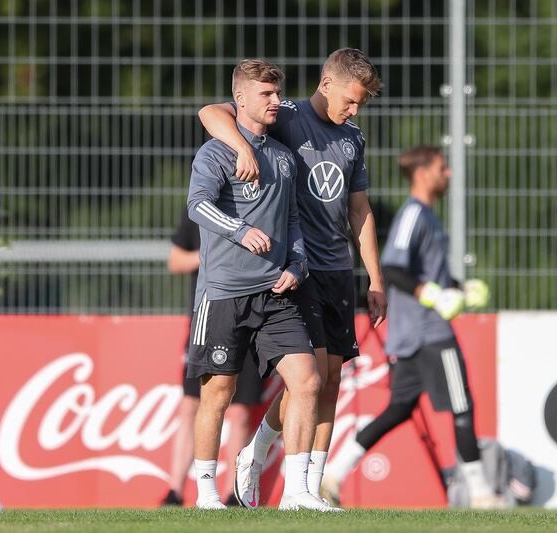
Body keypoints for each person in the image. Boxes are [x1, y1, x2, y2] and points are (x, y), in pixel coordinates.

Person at [198, 48, 387, 510]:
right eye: (351, 100)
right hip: (296, 269)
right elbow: (212, 111)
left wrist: (374, 280)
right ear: (326, 85)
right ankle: (263, 455)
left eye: (361, 104)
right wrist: (242, 147)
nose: (354, 110)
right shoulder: (286, 115)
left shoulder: (353, 138)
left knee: (332, 380)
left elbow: (359, 210)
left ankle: (307, 487)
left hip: (337, 268)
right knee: (311, 377)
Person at [321, 145, 500, 508]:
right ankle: (481, 494)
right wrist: (433, 295)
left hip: (412, 334)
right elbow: (396, 268)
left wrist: (458, 287)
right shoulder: (414, 215)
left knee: (399, 408)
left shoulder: (428, 216)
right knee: (462, 405)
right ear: (421, 173)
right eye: (441, 168)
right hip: (429, 332)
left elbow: (426, 273)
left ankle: (335, 475)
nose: (447, 174)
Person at [187, 58, 329, 511]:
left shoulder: (283, 158)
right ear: (241, 98)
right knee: (218, 393)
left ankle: (298, 493)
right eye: (265, 94)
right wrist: (239, 230)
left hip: (275, 293)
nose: (274, 101)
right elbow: (197, 206)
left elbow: (291, 221)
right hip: (224, 293)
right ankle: (207, 494)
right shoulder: (215, 153)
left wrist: (298, 261)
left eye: (276, 93)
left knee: (307, 382)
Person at [160, 210, 265, 507]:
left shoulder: (258, 206)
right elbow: (175, 260)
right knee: (191, 404)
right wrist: (211, 256)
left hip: (251, 321)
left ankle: (236, 492)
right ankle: (175, 492)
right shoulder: (200, 208)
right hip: (207, 320)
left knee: (241, 410)